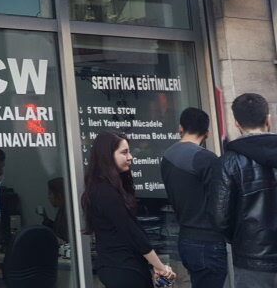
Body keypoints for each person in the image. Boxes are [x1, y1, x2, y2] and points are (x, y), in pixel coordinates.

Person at [81, 131, 175, 288]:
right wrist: (159, 266)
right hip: (123, 268)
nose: (130, 157)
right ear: (107, 156)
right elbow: (132, 231)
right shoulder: (105, 191)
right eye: (124, 152)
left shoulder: (103, 188)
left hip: (120, 266)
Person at [210, 92, 277, 287]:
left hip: (252, 259)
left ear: (236, 123)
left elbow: (220, 217)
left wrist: (241, 238)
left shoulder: (227, 163)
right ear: (268, 119)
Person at [160, 107, 227, 288]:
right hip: (209, 240)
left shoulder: (167, 157)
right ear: (207, 133)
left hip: (184, 237)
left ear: (180, 128)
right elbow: (220, 202)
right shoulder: (207, 159)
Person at [41, 177, 70, 245]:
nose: (48, 197)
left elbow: (64, 238)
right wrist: (45, 217)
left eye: (50, 193)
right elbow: (56, 229)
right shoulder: (62, 209)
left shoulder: (67, 212)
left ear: (59, 195)